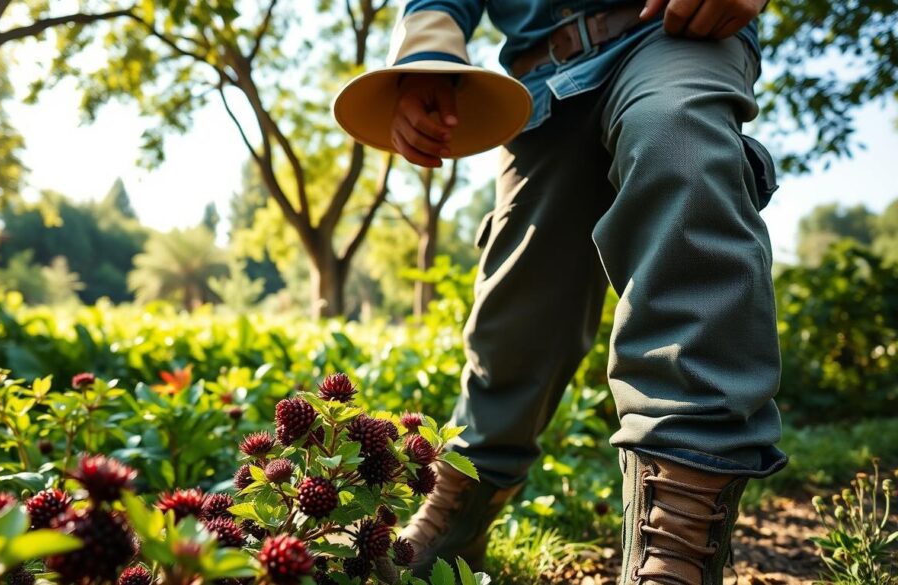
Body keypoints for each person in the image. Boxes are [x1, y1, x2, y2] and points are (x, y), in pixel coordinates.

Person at [335, 0, 788, 582]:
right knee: (519, 304)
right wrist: (428, 54)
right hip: (541, 81)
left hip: (674, 32)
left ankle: (675, 546)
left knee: (679, 148)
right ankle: (456, 520)